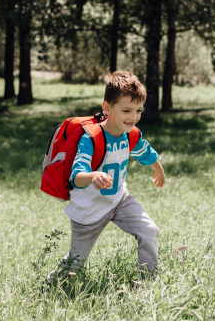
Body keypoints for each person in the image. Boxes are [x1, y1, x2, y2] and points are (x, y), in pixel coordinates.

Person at [49, 71, 166, 281]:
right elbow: (76, 176)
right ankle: (50, 285)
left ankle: (149, 282)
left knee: (149, 230)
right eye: (127, 110)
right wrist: (93, 176)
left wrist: (158, 169)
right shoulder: (91, 139)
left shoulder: (130, 134)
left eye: (138, 110)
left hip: (119, 200)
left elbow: (145, 152)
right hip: (89, 211)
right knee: (74, 265)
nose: (133, 117)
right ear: (107, 108)